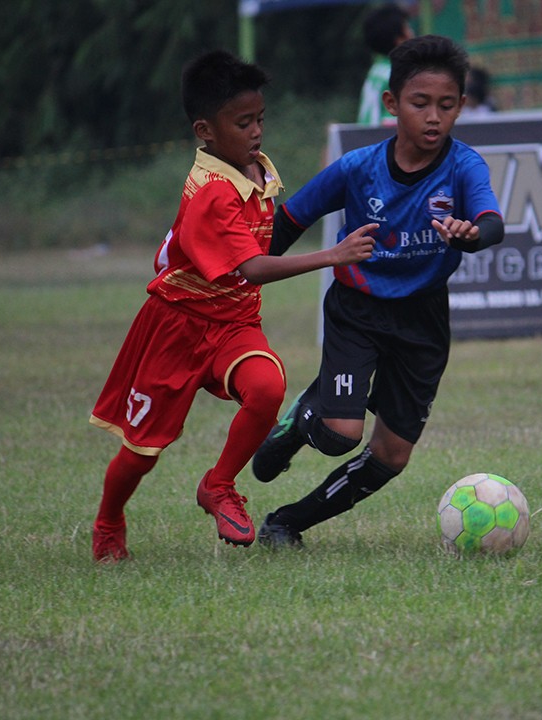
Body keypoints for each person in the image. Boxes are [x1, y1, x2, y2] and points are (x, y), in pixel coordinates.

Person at [88, 50, 377, 562]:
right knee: (142, 452)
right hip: (176, 327)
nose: (257, 131)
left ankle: (218, 485)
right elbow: (255, 267)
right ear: (206, 129)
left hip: (233, 322)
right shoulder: (213, 193)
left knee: (267, 387)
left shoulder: (254, 169)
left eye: (260, 119)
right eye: (243, 122)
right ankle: (109, 520)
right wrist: (333, 254)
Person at [251, 35, 505, 548]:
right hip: (358, 311)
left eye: (447, 105)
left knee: (391, 456)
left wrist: (473, 234)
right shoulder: (357, 168)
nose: (434, 117)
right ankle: (302, 418)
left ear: (460, 107)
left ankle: (286, 523)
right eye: (420, 104)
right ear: (392, 105)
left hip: (424, 320)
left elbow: (491, 222)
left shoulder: (464, 165)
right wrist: (242, 267)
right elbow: (289, 220)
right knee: (337, 435)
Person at [356, 2, 413, 126]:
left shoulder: (376, 70)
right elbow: (389, 124)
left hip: (364, 140)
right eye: (408, 28)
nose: (413, 33)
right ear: (399, 39)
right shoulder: (398, 75)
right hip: (381, 141)